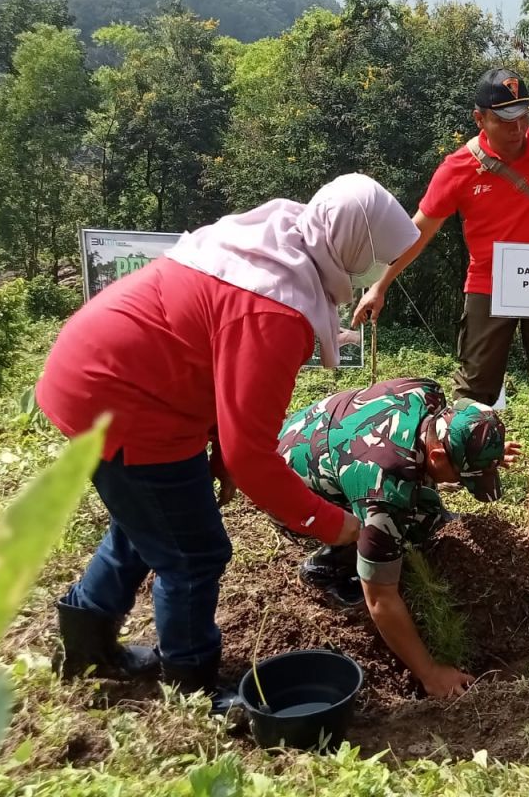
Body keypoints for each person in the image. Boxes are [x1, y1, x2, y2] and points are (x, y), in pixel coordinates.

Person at [37, 174, 419, 708]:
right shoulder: (275, 308)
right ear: (351, 241)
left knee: (147, 522)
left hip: (103, 372)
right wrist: (337, 526)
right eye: (377, 256)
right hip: (123, 398)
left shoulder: (281, 242)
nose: (377, 271)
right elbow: (253, 458)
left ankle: (86, 643)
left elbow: (218, 368)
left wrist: (219, 453)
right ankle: (191, 682)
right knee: (194, 553)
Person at [354, 69, 529, 484]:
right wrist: (380, 284)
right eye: (505, 119)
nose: (518, 128)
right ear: (479, 119)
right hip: (489, 285)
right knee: (478, 380)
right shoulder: (458, 168)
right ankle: (469, 456)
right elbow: (418, 232)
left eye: (524, 116)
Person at [277, 378, 518, 699]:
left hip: (312, 432)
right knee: (396, 526)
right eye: (462, 478)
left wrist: (482, 455)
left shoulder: (429, 395)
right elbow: (381, 600)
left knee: (427, 514)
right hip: (286, 490)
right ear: (436, 458)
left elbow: (455, 436)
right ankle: (326, 566)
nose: (461, 484)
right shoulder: (383, 491)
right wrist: (430, 672)